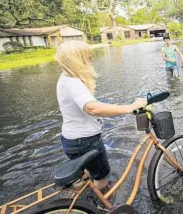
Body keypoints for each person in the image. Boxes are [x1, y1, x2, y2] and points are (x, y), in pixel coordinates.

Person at [55, 40, 147, 195]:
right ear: (78, 60)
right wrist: (130, 108)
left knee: (87, 172)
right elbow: (93, 108)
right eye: (88, 58)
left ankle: (81, 199)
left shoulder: (65, 78)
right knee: (102, 177)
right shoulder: (74, 83)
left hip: (71, 140)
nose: (91, 61)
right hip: (86, 141)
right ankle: (102, 205)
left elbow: (88, 103)